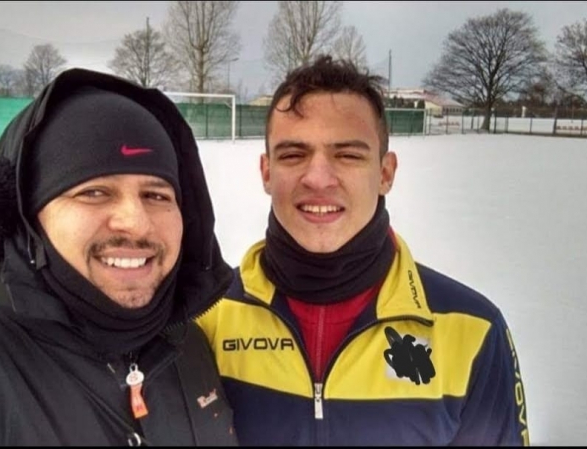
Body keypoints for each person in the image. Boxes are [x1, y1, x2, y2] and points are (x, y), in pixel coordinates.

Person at [0, 68, 237, 446]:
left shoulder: (189, 345)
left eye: (156, 195)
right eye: (94, 192)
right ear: (24, 216)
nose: (136, 223)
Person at [197, 55, 529, 446]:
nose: (318, 178)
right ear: (267, 173)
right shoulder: (206, 319)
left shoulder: (471, 331)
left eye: (348, 155)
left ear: (385, 173)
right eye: (293, 155)